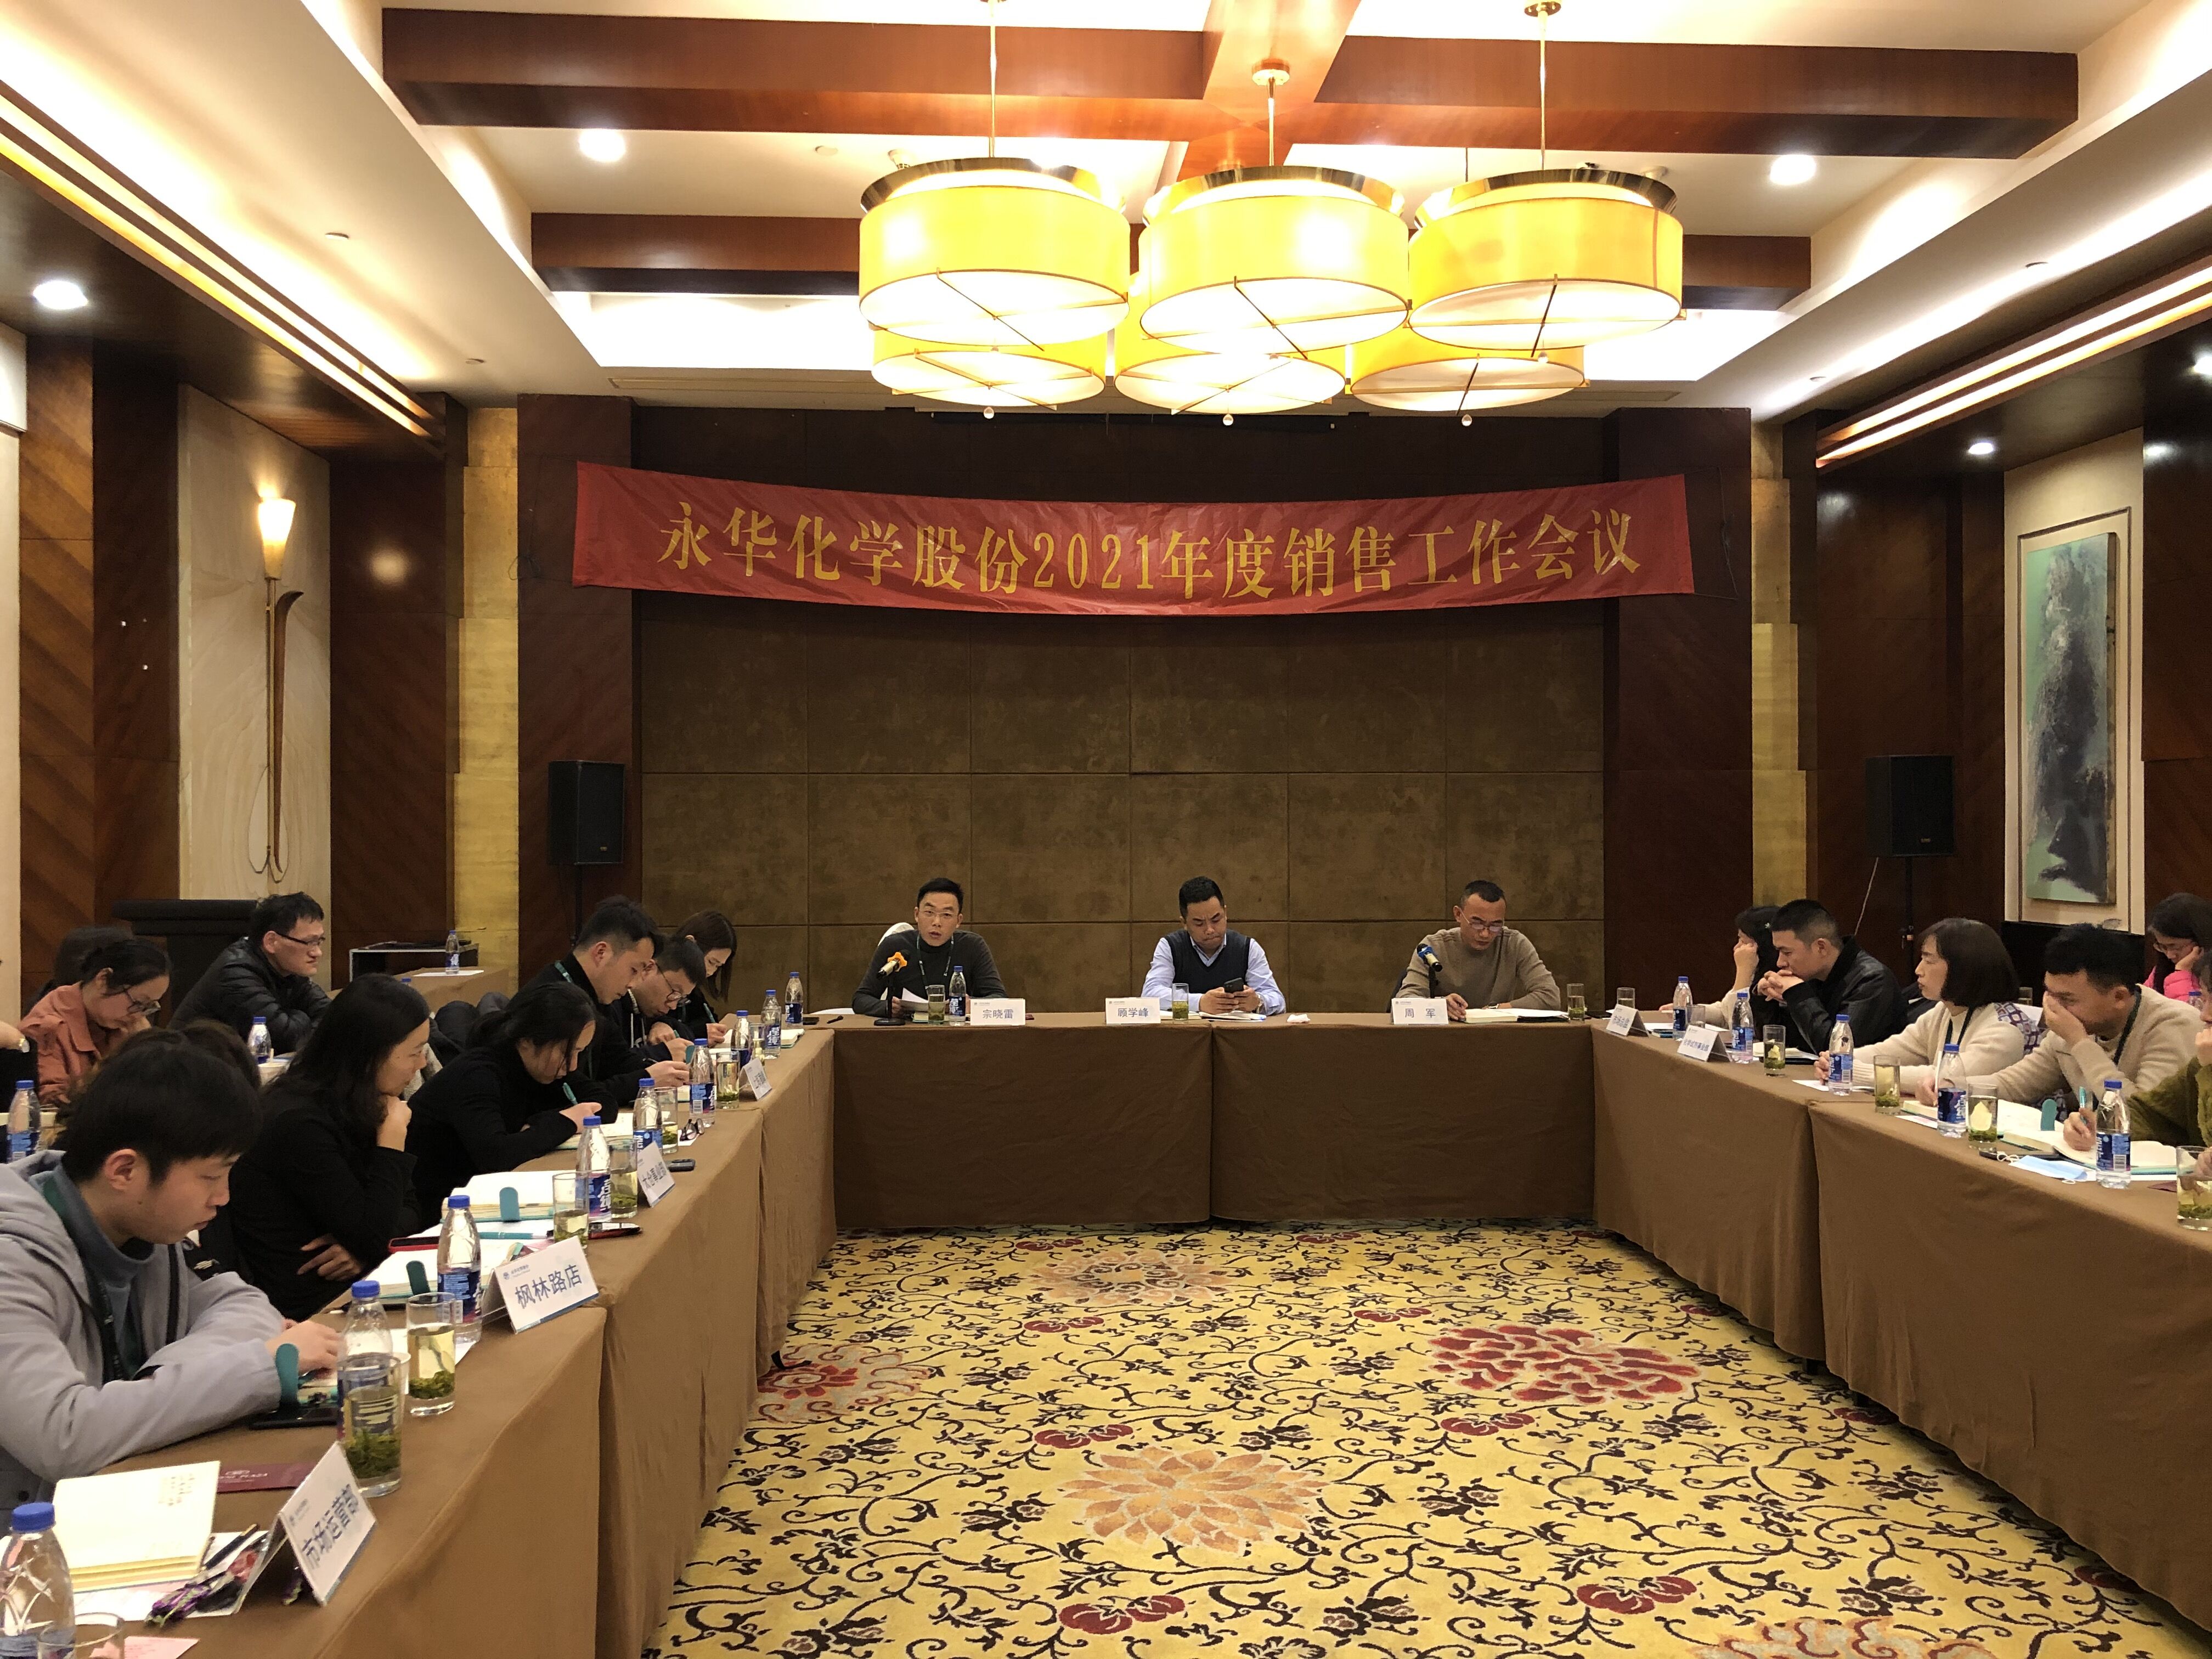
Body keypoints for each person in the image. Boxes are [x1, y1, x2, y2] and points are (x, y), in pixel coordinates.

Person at [0, 1027, 341, 1505]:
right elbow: (65, 1435)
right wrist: (258, 1367)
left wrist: (152, 1393)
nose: (223, 1197)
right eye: (211, 1176)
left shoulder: (141, 1226)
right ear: (124, 1170)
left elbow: (245, 1304)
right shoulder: (12, 1261)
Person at [223, 976, 433, 1322]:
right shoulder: (298, 1122)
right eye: (414, 1051)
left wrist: (364, 1248)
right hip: (305, 1309)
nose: (422, 1063)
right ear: (370, 1054)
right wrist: (391, 1146)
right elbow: (373, 1234)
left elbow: (411, 1208)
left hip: (359, 1286)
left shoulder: (363, 1102)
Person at [1953, 922, 2196, 1115]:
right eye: (2050, 994)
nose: (2054, 1008)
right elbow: (2015, 1084)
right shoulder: (2071, 1026)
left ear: (2119, 997)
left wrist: (2080, 1043)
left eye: (2067, 999)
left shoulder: (2173, 1025)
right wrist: (1949, 1086)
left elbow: (2140, 1116)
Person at [404, 981, 599, 1215]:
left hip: (483, 1202)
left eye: (579, 1052)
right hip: (438, 1212)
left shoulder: (542, 1067)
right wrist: (565, 1122)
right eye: (568, 1052)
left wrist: (539, 1125)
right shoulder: (477, 1074)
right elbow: (496, 1156)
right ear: (528, 1040)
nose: (573, 1065)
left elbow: (601, 1103)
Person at [1818, 917, 2028, 1091]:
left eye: (1929, 960)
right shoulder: (1944, 1011)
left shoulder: (2004, 1029)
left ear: (1962, 967)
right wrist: (1839, 1059)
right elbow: (1895, 1050)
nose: (1919, 970)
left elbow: (1945, 1078)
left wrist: (1853, 1070)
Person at [523, 896, 687, 1106]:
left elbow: (619, 1060)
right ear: (602, 953)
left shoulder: (597, 997)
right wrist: (645, 1080)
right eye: (634, 970)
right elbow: (570, 1097)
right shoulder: (551, 1001)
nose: (633, 983)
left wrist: (668, 1072)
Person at [171, 892, 332, 1054]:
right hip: (189, 1063)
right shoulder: (236, 973)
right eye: (308, 942)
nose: (317, 952)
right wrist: (303, 1017)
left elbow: (334, 1017)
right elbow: (284, 1040)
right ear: (271, 942)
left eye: (319, 941)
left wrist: (298, 1019)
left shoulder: (288, 969)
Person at [22, 938, 172, 1110]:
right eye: (138, 1003)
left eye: (148, 1007)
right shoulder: (47, 1028)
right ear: (103, 979)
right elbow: (50, 1106)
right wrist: (122, 1057)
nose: (138, 1016)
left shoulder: (123, 1025)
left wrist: (147, 1048)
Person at [2060, 986, 2212, 1153]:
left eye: (2069, 998)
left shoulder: (2176, 1025)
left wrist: (2208, 1072)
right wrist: (2098, 1125)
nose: (2204, 1015)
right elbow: (2149, 1113)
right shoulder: (2198, 1065)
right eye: (2204, 1000)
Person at [1757, 899, 1906, 1050]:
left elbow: (1838, 1050)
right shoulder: (1811, 975)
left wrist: (1798, 994)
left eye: (1787, 952)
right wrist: (1764, 998)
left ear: (1821, 947)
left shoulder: (1872, 980)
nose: (1780, 963)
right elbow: (1784, 1041)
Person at [1396, 880, 1558, 1015]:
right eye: (1477, 923)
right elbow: (1405, 1000)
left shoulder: (1514, 943)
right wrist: (1440, 1006)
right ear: (1458, 915)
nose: (1486, 934)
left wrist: (1497, 1010)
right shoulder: (1433, 946)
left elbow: (1550, 997)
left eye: (1495, 925)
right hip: (1445, 1035)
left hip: (1498, 1034)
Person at [854, 879, 1006, 1017]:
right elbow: (861, 998)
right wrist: (887, 1007)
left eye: (946, 915)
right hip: (905, 1032)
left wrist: (972, 1004)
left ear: (959, 921)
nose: (936, 922)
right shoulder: (895, 946)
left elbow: (999, 997)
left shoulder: (972, 946)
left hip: (957, 1032)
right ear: (917, 914)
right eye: (929, 913)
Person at [1143, 877, 1286, 1017]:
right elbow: (1150, 995)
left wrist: (1258, 1002)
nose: (1210, 930)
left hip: (1235, 1031)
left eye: (1216, 919)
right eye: (1199, 923)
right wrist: (1199, 1002)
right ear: (1184, 923)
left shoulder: (1247, 948)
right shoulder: (1170, 946)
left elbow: (1278, 1000)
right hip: (1187, 1031)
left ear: (1225, 913)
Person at [1664, 905, 1786, 1030]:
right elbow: (1725, 1012)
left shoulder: (1779, 979)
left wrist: (1743, 972)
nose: (1736, 948)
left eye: (1744, 942)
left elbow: (1740, 1028)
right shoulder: (1757, 970)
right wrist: (1690, 1012)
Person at [626, 938, 703, 1062]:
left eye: (680, 998)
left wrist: (663, 1024)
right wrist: (664, 1052)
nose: (673, 1006)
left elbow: (686, 1033)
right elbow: (613, 1065)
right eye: (674, 993)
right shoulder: (613, 1003)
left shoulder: (648, 1009)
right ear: (649, 969)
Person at [667, 910, 735, 1039]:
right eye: (711, 962)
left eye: (718, 966)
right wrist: (698, 1033)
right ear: (690, 943)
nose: (711, 972)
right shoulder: (663, 978)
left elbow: (707, 1018)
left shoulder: (694, 990)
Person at [2143, 893, 2212, 1005]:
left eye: (2175, 947)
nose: (2169, 955)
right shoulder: (2164, 968)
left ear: (2200, 940)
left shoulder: (2207, 973)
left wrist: (2181, 973)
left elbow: (2188, 1014)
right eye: (2163, 947)